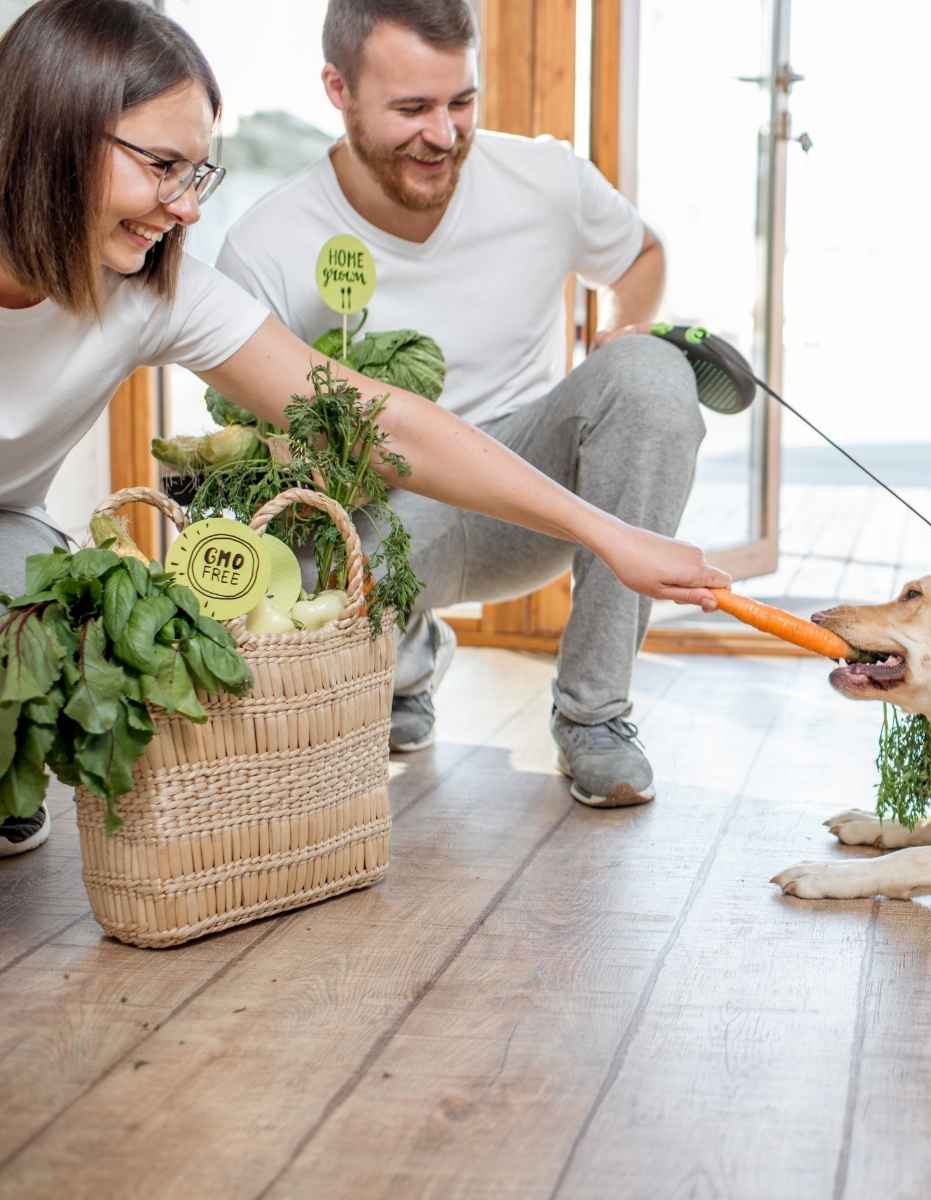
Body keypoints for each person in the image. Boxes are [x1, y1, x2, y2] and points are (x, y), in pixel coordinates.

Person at [0, 0, 728, 858]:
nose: (184, 209)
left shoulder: (160, 292)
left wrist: (611, 536)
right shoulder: (274, 233)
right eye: (161, 165)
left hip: (12, 530)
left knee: (64, 608)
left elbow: (380, 424)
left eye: (195, 175)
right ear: (56, 130)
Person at [216, 0, 708, 809]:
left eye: (460, 102)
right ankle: (404, 667)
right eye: (411, 108)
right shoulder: (268, 245)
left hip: (531, 498)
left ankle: (594, 714)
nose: (442, 135)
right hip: (379, 513)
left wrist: (625, 328)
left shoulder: (544, 179)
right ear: (338, 89)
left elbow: (641, 252)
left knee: (653, 375)